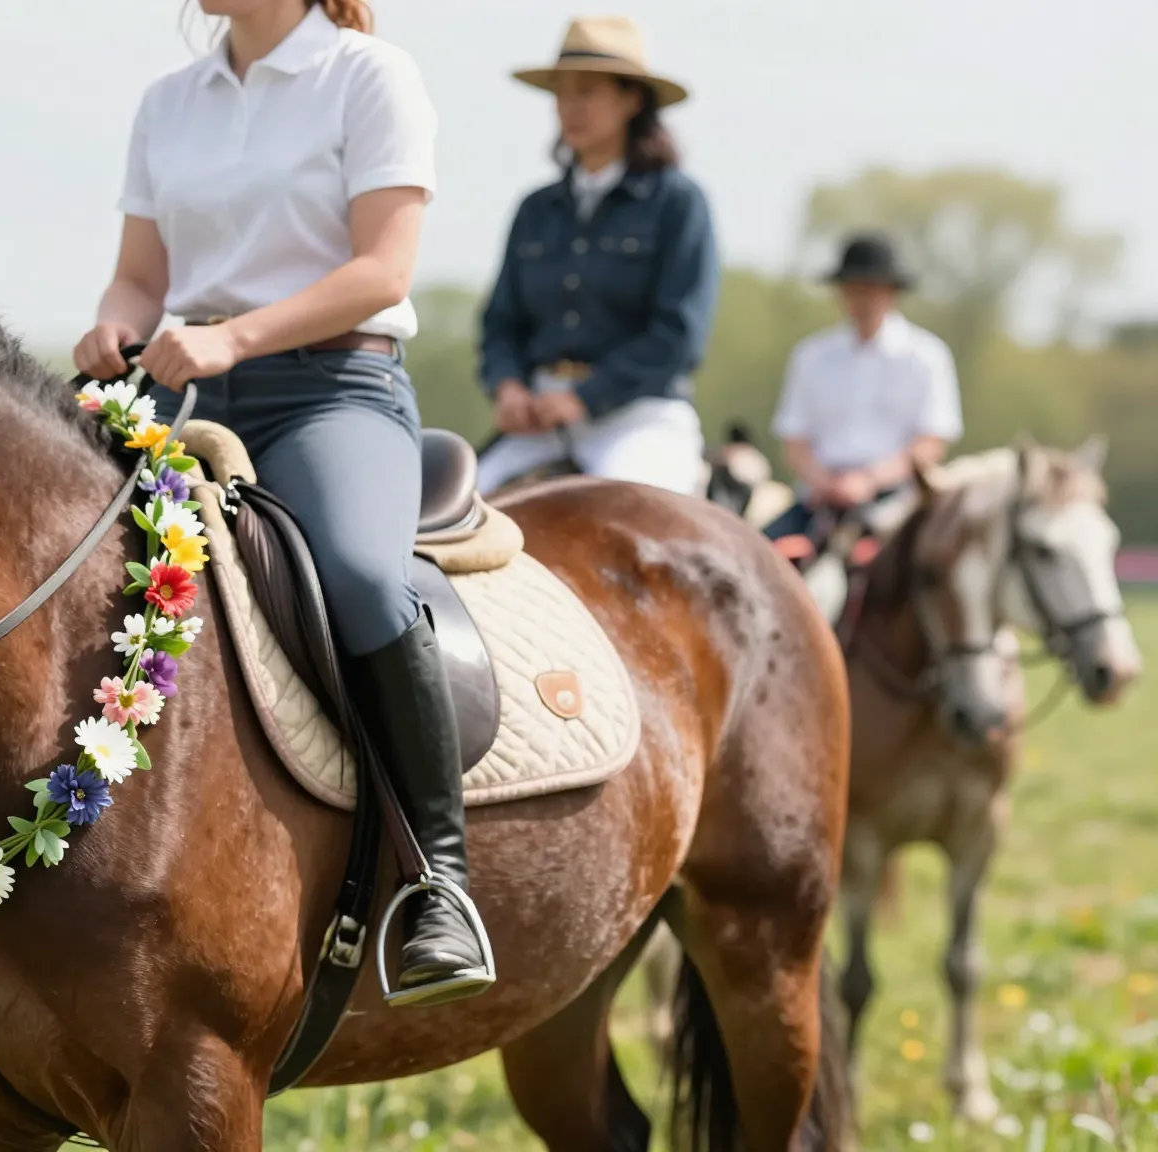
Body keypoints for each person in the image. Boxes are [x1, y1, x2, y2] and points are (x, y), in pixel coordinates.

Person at [75, 0, 488, 1004]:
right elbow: (141, 277)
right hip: (182, 384)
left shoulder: (367, 77)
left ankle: (438, 882)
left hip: (332, 389)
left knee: (354, 576)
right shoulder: (168, 101)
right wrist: (108, 328)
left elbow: (379, 270)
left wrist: (234, 336)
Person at [475, 16, 719, 496]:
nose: (570, 107)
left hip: (638, 419)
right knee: (437, 527)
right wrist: (507, 387)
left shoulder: (678, 203)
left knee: (634, 522)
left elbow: (679, 335)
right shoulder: (535, 209)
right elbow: (500, 322)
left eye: (587, 91)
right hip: (537, 422)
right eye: (562, 94)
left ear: (632, 100)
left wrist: (585, 397)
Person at [764, 233, 961, 546]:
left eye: (870, 290)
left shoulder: (926, 356)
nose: (862, 300)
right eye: (854, 290)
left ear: (891, 293)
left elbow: (931, 442)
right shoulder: (812, 355)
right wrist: (826, 482)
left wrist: (868, 480)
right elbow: (795, 442)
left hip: (897, 502)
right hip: (819, 499)